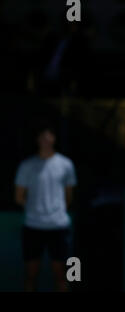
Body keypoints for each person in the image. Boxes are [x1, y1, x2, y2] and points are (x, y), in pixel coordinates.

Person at [14, 121, 77, 292]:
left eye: (48, 136)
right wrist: (36, 210)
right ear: (37, 139)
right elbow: (19, 197)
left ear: (54, 139)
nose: (45, 140)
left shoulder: (66, 164)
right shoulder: (26, 165)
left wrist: (55, 211)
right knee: (30, 274)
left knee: (65, 274)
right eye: (42, 137)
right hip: (33, 226)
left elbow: (69, 196)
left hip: (59, 226)